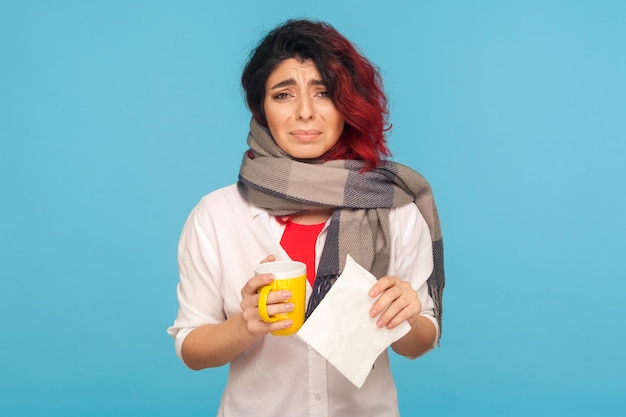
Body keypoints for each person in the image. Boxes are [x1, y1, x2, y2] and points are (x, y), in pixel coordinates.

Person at [167, 19, 445, 417]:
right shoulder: (216, 214)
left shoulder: (394, 207)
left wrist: (406, 316)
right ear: (261, 108)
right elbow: (190, 348)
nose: (304, 113)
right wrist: (244, 325)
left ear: (348, 105)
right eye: (283, 95)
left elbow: (420, 342)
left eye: (324, 94)